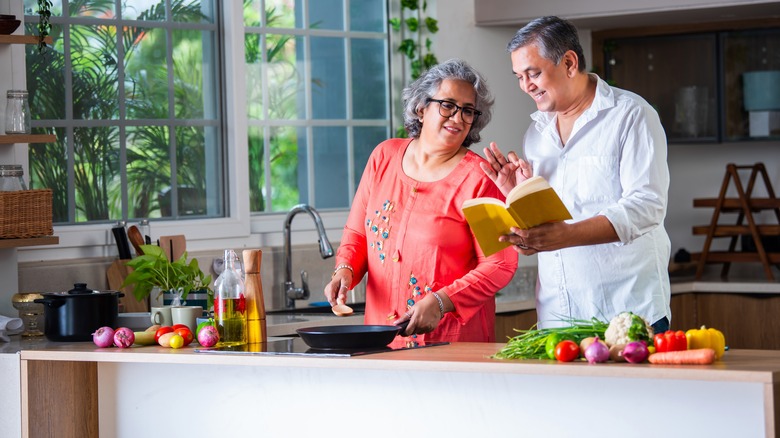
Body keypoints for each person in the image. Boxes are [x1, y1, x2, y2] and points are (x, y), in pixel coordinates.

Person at [480, 16, 672, 333]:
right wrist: (522, 212)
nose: (525, 86)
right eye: (518, 76)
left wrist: (566, 236)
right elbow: (551, 227)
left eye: (533, 73)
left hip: (627, 311)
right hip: (557, 315)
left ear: (569, 62)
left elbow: (646, 207)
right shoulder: (536, 135)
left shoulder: (631, 115)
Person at [324, 59, 518, 344]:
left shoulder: (481, 179)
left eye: (467, 111)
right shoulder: (384, 157)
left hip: (452, 345)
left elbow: (500, 265)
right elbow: (357, 233)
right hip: (381, 342)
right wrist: (345, 270)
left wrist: (442, 301)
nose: (457, 117)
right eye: (447, 105)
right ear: (421, 107)